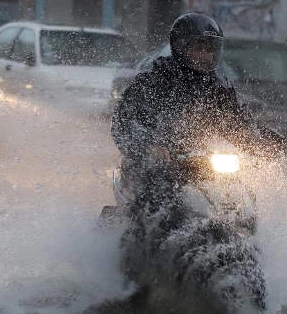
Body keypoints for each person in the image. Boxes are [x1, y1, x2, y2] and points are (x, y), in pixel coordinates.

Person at [111, 12, 277, 199]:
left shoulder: (218, 85)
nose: (207, 56)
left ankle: (243, 225)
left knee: (238, 194)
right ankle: (144, 226)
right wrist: (150, 146)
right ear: (181, 46)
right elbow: (124, 122)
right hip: (154, 164)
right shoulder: (155, 80)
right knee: (155, 195)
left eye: (212, 50)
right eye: (201, 48)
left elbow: (237, 122)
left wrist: (266, 143)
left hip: (202, 163)